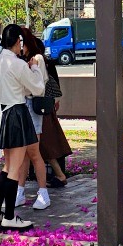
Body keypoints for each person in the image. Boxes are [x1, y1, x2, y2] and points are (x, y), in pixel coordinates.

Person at [0, 24, 46, 231]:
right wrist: (35, 67)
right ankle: (9, 216)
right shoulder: (18, 64)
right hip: (17, 113)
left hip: (2, 113)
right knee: (14, 168)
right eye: (21, 42)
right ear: (17, 42)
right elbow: (38, 88)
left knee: (7, 166)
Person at [13, 28, 51, 211]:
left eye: (21, 42)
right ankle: (20, 192)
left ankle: (43, 192)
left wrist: (32, 68)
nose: (19, 46)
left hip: (33, 106)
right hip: (23, 105)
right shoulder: (24, 60)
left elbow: (38, 86)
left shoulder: (38, 59)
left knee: (34, 152)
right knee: (24, 154)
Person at [38, 51, 72, 185]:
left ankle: (57, 175)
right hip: (45, 108)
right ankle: (58, 174)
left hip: (41, 109)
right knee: (43, 146)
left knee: (42, 145)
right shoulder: (44, 62)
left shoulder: (38, 61)